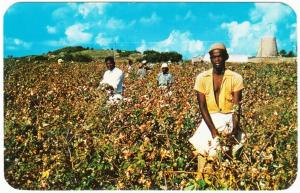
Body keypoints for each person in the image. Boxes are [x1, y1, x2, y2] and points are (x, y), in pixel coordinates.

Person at [189, 43, 245, 177]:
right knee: (204, 154)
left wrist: (234, 131)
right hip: (209, 119)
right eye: (214, 57)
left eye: (220, 57)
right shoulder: (201, 78)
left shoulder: (236, 78)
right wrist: (214, 132)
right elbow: (202, 106)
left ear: (226, 57)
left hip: (228, 118)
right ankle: (201, 181)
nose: (217, 60)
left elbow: (237, 107)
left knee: (232, 154)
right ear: (210, 59)